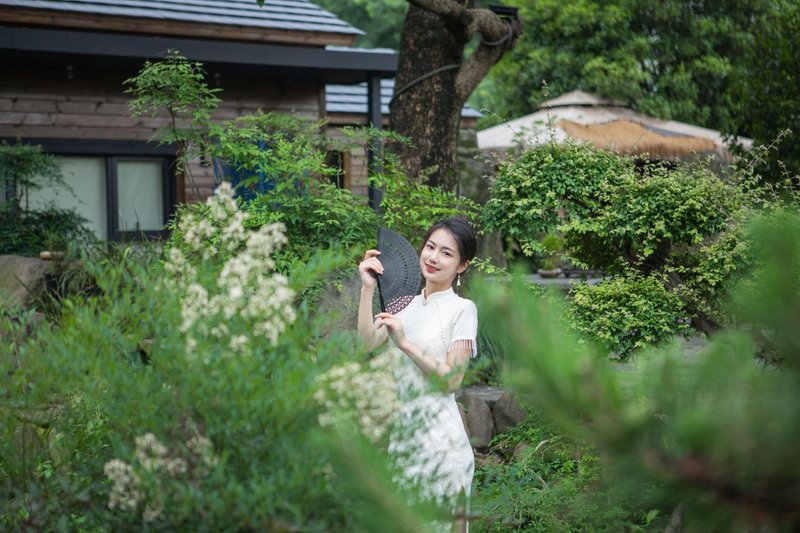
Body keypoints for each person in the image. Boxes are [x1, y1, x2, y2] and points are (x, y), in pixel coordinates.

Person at [357, 217, 478, 532]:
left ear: (462, 266)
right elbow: (367, 342)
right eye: (430, 247)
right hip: (404, 444)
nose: (433, 258)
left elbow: (452, 381)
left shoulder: (463, 310)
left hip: (443, 447)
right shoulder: (403, 305)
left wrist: (405, 343)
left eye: (446, 253)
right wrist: (367, 289)